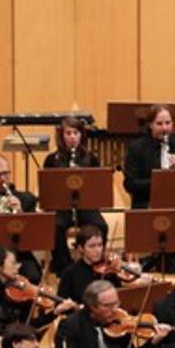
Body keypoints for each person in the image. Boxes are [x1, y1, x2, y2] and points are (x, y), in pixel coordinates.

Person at [41, 116, 109, 274]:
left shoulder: (91, 158)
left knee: (101, 225)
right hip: (62, 207)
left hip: (85, 206)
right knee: (55, 227)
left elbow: (97, 188)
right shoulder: (52, 159)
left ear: (81, 135)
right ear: (62, 136)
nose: (72, 137)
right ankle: (64, 268)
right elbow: (47, 189)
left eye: (76, 133)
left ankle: (96, 262)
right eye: (68, 133)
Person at [122, 104, 175, 209]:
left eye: (168, 123)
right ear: (150, 125)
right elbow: (130, 184)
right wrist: (160, 182)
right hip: (147, 201)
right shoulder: (136, 148)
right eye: (159, 124)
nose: (164, 128)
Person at [0, 246, 75, 335]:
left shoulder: (22, 293)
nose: (18, 267)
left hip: (10, 341)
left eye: (18, 263)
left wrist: (55, 312)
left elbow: (28, 325)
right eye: (13, 263)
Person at [0, 155, 43, 281]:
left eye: (5, 173)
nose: (3, 178)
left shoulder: (27, 199)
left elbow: (34, 235)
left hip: (19, 252)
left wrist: (21, 212)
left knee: (33, 276)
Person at [57, 224, 145, 305]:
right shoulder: (69, 273)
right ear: (81, 248)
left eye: (100, 245)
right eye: (92, 246)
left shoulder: (109, 270)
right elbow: (60, 304)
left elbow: (119, 298)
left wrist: (116, 274)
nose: (98, 250)